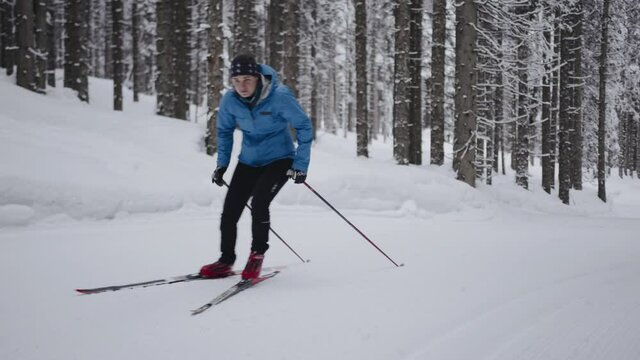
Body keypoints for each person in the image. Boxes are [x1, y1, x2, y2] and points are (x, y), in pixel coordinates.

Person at [199, 54, 313, 280]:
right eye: (237, 80)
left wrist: (300, 165)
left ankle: (257, 255)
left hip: (279, 158)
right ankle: (226, 260)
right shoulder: (230, 101)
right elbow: (224, 132)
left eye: (247, 80)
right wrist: (222, 165)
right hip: (249, 160)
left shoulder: (279, 97)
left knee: (260, 202)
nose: (242, 85)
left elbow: (303, 126)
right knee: (230, 211)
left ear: (258, 78)